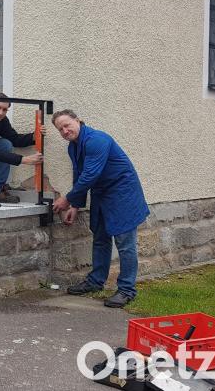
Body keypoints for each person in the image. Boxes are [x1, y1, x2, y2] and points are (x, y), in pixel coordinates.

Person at [51, 109, 149, 308]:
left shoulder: (97, 140)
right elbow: (79, 175)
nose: (65, 131)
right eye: (60, 129)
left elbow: (90, 175)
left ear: (78, 121)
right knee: (100, 238)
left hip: (122, 193)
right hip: (102, 194)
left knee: (125, 244)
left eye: (67, 125)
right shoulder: (73, 147)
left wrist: (67, 200)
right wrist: (76, 205)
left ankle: (127, 290)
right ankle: (96, 281)